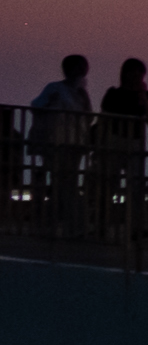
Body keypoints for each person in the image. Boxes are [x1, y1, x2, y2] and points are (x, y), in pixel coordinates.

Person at [25, 55, 91, 235]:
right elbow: (37, 105)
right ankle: (64, 223)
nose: (82, 72)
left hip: (75, 142)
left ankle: (62, 222)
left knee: (66, 182)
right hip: (55, 141)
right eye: (79, 68)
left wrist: (84, 99)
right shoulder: (54, 88)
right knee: (62, 182)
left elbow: (88, 116)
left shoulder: (81, 93)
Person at [96, 59, 148, 232]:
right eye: (133, 72)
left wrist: (144, 99)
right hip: (114, 140)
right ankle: (102, 224)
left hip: (136, 142)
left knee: (136, 185)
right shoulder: (113, 93)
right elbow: (104, 117)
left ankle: (137, 226)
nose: (136, 76)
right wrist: (100, 142)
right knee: (108, 184)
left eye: (140, 73)